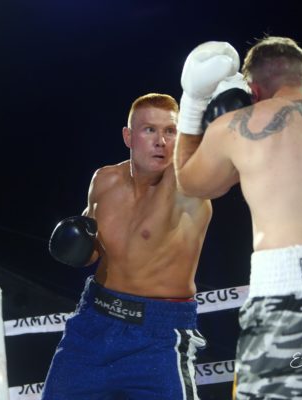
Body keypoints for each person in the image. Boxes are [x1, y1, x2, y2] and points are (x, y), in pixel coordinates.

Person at [174, 36, 302, 399]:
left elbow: (190, 183)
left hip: (292, 295)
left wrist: (193, 102)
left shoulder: (237, 125)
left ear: (254, 91)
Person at [42, 93, 212, 400]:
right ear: (128, 136)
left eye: (170, 131)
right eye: (149, 130)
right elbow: (92, 252)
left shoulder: (186, 188)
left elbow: (204, 152)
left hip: (158, 338)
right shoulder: (104, 180)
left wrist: (203, 95)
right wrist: (75, 247)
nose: (161, 141)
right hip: (93, 324)